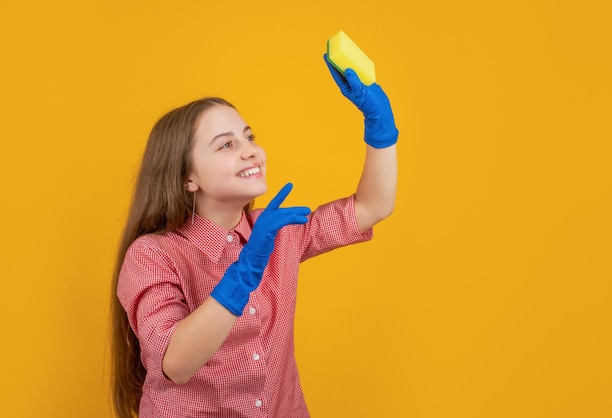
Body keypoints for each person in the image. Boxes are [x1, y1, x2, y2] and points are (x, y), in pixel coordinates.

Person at [110, 54, 399, 418]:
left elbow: (372, 207)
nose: (250, 150)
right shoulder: (152, 255)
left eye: (249, 137)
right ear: (187, 178)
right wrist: (245, 270)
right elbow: (176, 363)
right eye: (226, 144)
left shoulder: (275, 231)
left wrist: (380, 127)